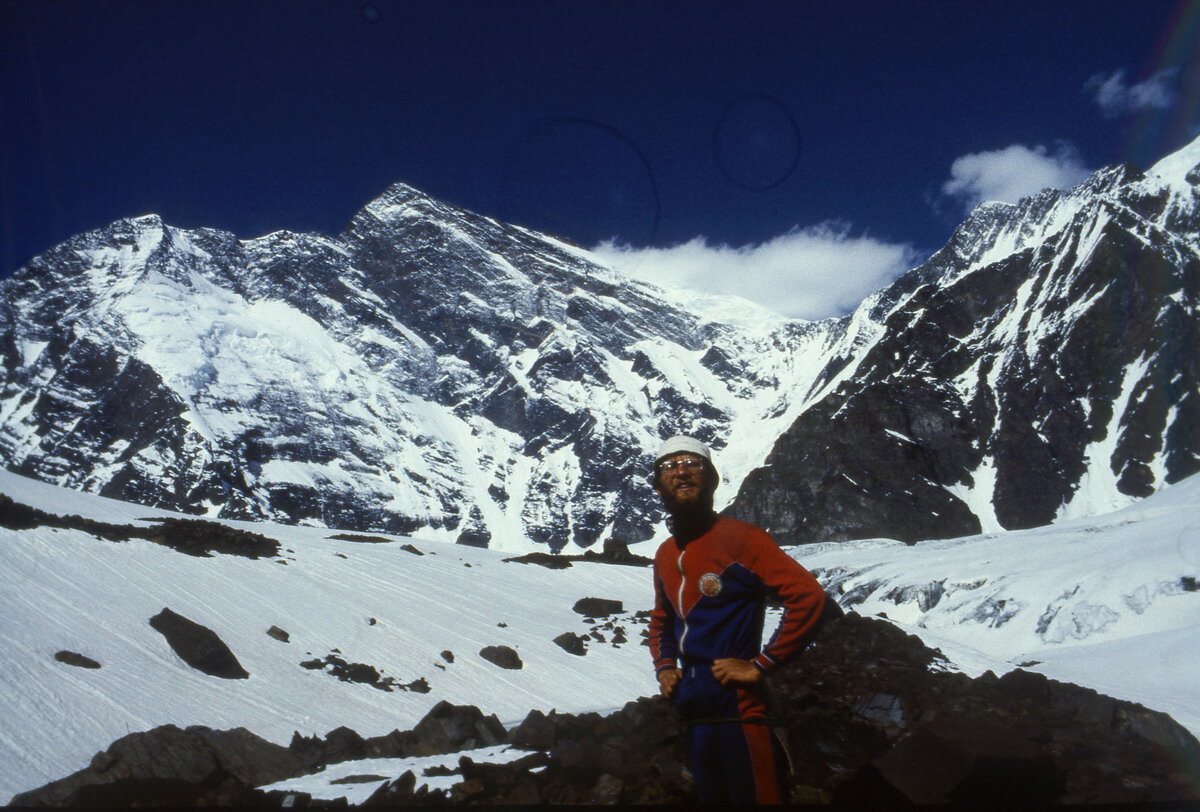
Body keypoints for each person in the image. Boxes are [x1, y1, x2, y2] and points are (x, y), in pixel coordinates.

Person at [647, 435, 829, 805]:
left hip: (741, 707)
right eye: (670, 466)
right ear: (659, 483)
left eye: (693, 463)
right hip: (694, 709)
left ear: (711, 478)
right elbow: (662, 620)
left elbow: (808, 596)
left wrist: (762, 665)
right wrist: (666, 667)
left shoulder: (742, 539)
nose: (681, 471)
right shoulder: (666, 553)